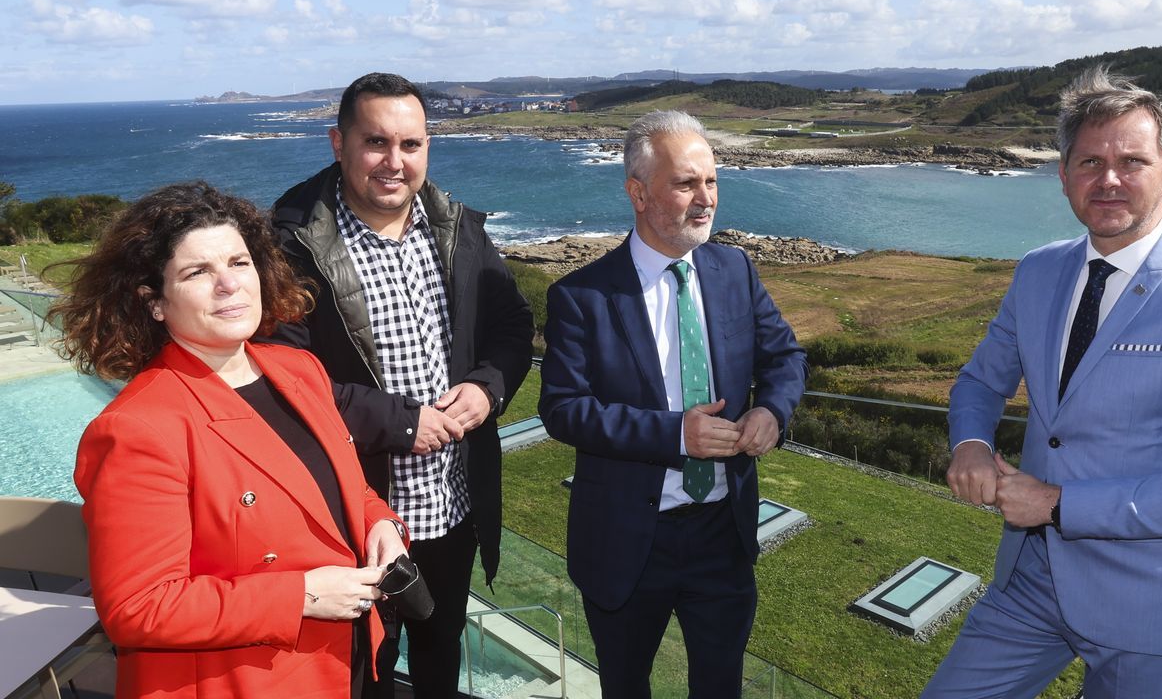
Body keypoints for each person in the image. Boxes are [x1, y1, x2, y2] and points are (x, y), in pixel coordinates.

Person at [923, 66, 1162, 698]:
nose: (1108, 179)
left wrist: (1056, 505)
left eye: (1132, 161)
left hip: (1156, 609)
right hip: (1031, 581)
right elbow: (980, 382)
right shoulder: (1038, 272)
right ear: (1063, 176)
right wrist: (969, 443)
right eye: (1088, 162)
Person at [54, 182, 409, 698]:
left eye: (239, 263)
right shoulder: (138, 429)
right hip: (243, 682)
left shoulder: (298, 369)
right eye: (198, 272)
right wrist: (300, 595)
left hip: (343, 661)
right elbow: (137, 608)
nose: (229, 285)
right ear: (153, 302)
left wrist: (381, 524)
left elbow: (339, 490)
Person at [270, 72, 534, 697]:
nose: (395, 163)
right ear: (338, 143)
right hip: (356, 513)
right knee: (365, 668)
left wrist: (488, 389)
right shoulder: (290, 241)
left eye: (411, 145)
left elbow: (512, 324)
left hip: (452, 504)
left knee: (442, 651)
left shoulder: (454, 225)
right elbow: (284, 374)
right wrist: (401, 423)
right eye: (376, 143)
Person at [539, 109, 808, 698]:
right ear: (638, 193)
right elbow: (562, 408)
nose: (705, 198)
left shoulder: (733, 268)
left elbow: (785, 358)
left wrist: (773, 412)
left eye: (711, 181)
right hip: (628, 542)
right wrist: (673, 436)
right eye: (686, 183)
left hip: (722, 534)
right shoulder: (582, 296)